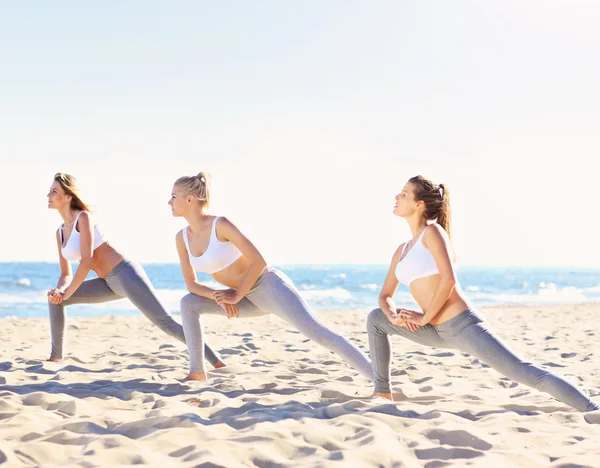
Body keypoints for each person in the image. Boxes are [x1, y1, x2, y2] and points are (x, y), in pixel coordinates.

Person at [367, 175, 599, 412]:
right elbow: (385, 295)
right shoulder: (402, 250)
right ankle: (382, 391)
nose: (397, 196)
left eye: (404, 193)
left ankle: (592, 409)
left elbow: (448, 280)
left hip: (462, 325)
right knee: (376, 318)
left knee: (525, 372)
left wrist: (424, 317)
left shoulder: (433, 233)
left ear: (420, 204)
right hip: (435, 331)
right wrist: (394, 316)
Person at [169, 171, 373, 382]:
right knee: (189, 303)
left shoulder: (221, 225)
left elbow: (259, 261)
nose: (169, 202)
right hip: (244, 298)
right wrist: (218, 296)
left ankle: (380, 382)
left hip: (268, 286)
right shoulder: (181, 238)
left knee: (319, 333)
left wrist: (237, 295)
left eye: (174, 196)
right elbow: (192, 284)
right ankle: (197, 372)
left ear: (190, 199)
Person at [46, 172, 224, 368]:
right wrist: (59, 291)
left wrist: (66, 292)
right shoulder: (60, 232)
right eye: (50, 191)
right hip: (107, 283)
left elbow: (86, 261)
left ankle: (216, 361)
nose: (49, 195)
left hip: (125, 274)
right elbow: (65, 274)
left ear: (68, 196)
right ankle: (56, 358)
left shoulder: (84, 218)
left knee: (166, 323)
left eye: (54, 191)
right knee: (56, 301)